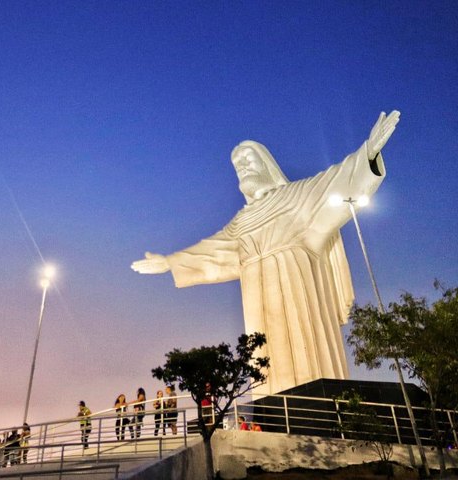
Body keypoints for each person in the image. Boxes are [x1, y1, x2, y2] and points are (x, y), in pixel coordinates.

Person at [132, 111, 401, 395]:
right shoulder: (242, 222)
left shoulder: (298, 197)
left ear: (266, 163)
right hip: (259, 302)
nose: (243, 167)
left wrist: (367, 154)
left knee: (307, 350)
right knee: (266, 362)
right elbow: (212, 252)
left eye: (248, 159)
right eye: (237, 164)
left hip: (301, 291)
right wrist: (170, 262)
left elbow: (336, 180)